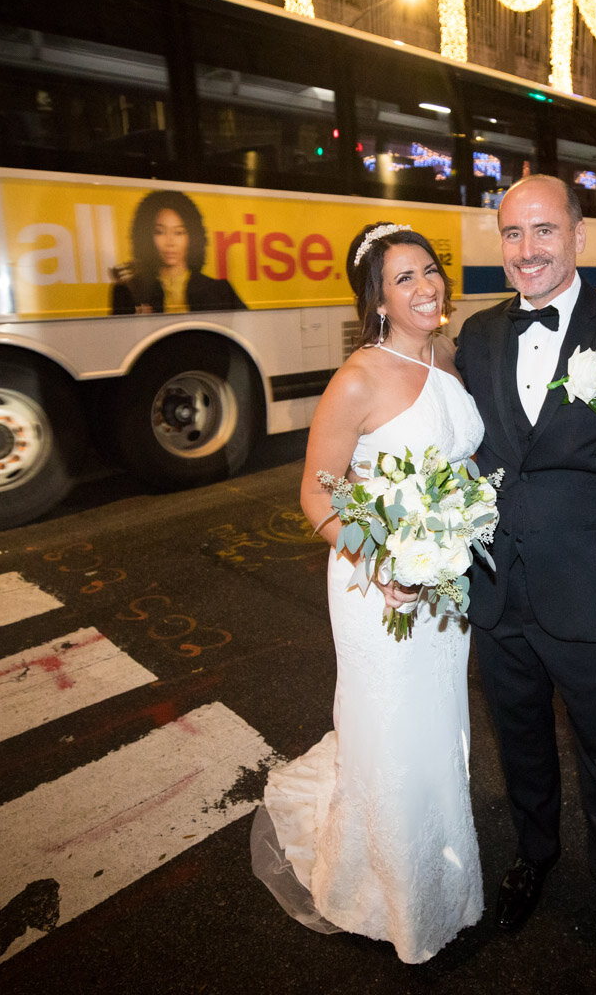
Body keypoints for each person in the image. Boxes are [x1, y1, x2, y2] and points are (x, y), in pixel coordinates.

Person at [454, 174, 596, 977]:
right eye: (513, 233)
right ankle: (535, 856)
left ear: (579, 237)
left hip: (593, 596)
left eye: (544, 231)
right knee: (519, 745)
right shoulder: (477, 336)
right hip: (498, 593)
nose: (527, 250)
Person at [250, 222, 483, 963]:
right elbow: (316, 494)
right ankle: (386, 894)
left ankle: (443, 872)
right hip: (377, 587)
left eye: (430, 270)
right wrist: (382, 562)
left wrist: (459, 525)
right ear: (377, 301)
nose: (426, 287)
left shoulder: (448, 356)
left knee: (438, 726)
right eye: (404, 278)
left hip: (443, 580)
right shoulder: (358, 378)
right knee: (390, 733)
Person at [110, 190, 244, 314]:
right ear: (146, 236)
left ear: (193, 237)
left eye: (179, 232)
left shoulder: (220, 290)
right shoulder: (129, 290)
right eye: (160, 232)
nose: (170, 242)